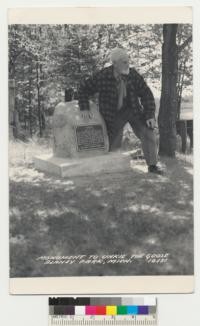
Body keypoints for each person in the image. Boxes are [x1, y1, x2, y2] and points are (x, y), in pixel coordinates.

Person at [77, 47, 163, 174]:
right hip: (113, 114)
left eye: (128, 61)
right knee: (113, 144)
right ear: (114, 63)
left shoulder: (133, 75)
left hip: (133, 110)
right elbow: (83, 89)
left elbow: (146, 94)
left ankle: (152, 166)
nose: (127, 64)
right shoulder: (103, 76)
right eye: (124, 62)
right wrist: (84, 107)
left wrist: (150, 115)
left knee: (148, 132)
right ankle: (113, 166)